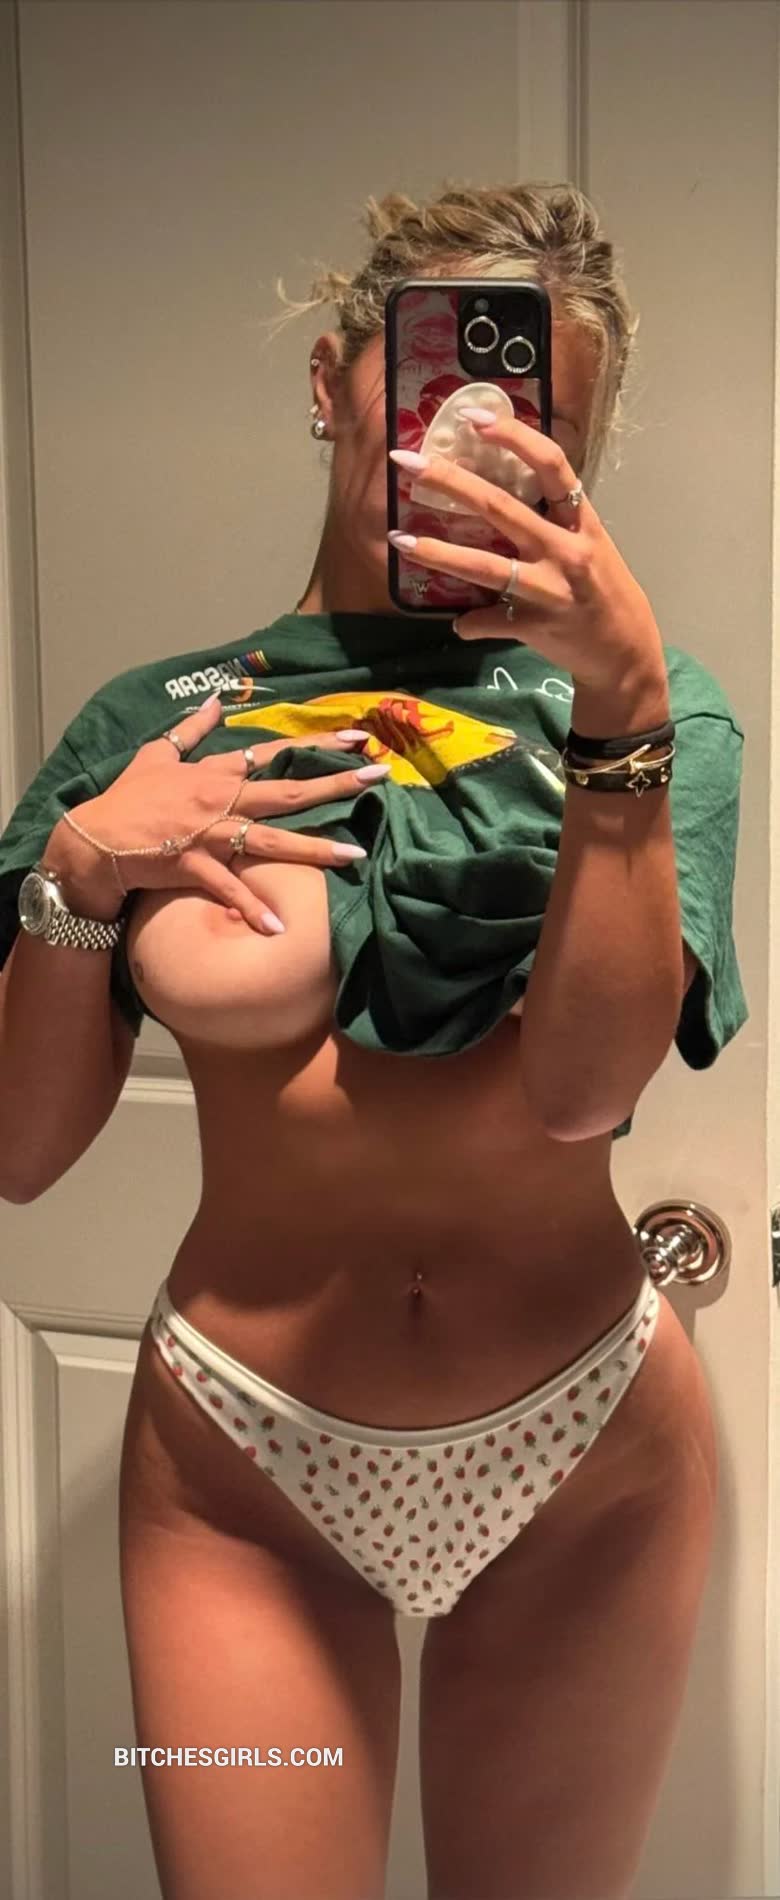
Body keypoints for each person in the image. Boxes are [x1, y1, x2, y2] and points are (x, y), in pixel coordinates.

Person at [0, 182, 748, 1900]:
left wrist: (624, 708)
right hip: (240, 1471)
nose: (465, 453)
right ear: (334, 382)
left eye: (529, 423)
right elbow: (22, 1154)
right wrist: (80, 875)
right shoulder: (156, 721)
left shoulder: (651, 705)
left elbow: (584, 1092)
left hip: (586, 1461)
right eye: (431, 396)